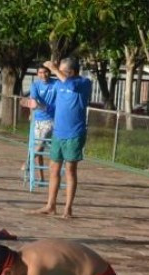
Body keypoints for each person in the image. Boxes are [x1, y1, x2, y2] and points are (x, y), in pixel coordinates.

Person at [25, 58, 91, 219]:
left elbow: (71, 85)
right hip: (58, 132)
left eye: (62, 70)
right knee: (53, 168)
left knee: (70, 170)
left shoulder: (83, 82)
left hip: (74, 133)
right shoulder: (60, 84)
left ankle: (68, 208)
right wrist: (38, 105)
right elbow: (55, 106)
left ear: (72, 71)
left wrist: (54, 69)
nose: (58, 73)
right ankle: (50, 205)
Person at [21, 66, 56, 183]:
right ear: (37, 74)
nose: (43, 74)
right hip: (38, 120)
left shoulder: (56, 84)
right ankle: (41, 177)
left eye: (45, 72)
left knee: (41, 144)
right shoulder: (35, 85)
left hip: (51, 120)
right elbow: (33, 100)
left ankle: (27, 162)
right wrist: (32, 110)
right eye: (40, 72)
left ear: (49, 72)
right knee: (37, 148)